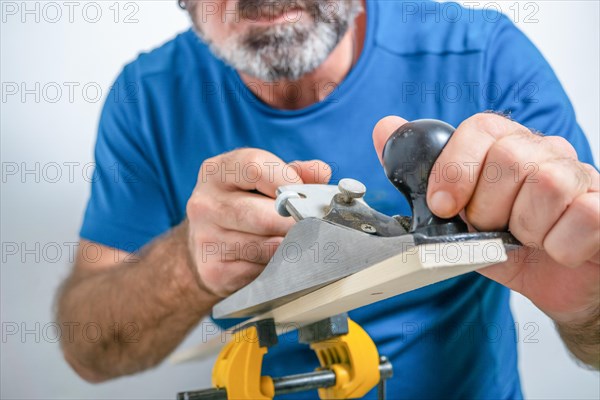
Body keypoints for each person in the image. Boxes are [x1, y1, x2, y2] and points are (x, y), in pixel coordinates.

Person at [56, 0, 599, 398]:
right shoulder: (147, 98)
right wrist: (187, 264)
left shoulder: (483, 57)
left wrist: (588, 299)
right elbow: (90, 350)